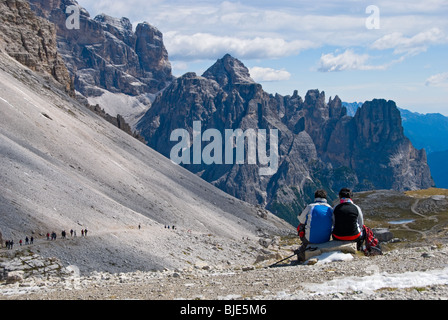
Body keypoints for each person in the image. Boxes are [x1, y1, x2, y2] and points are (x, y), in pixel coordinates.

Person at [295, 189, 334, 261]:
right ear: (325, 198)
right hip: (326, 239)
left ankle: (304, 247)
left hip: (310, 240)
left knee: (301, 225)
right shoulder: (330, 209)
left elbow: (301, 220)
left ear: (315, 197)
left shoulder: (310, 206)